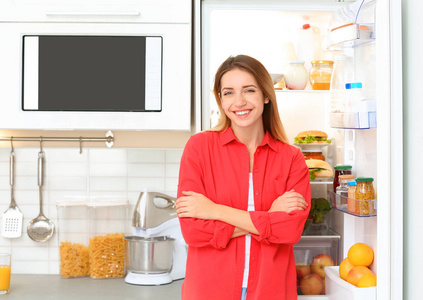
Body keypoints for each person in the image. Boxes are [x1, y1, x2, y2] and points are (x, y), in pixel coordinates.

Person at [176, 55, 311, 300]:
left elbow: (290, 230)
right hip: (209, 290)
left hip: (271, 290)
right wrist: (270, 217)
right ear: (220, 99)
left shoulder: (291, 158)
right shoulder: (199, 147)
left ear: (266, 95)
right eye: (228, 93)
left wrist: (213, 210)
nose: (239, 101)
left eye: (249, 90)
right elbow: (193, 231)